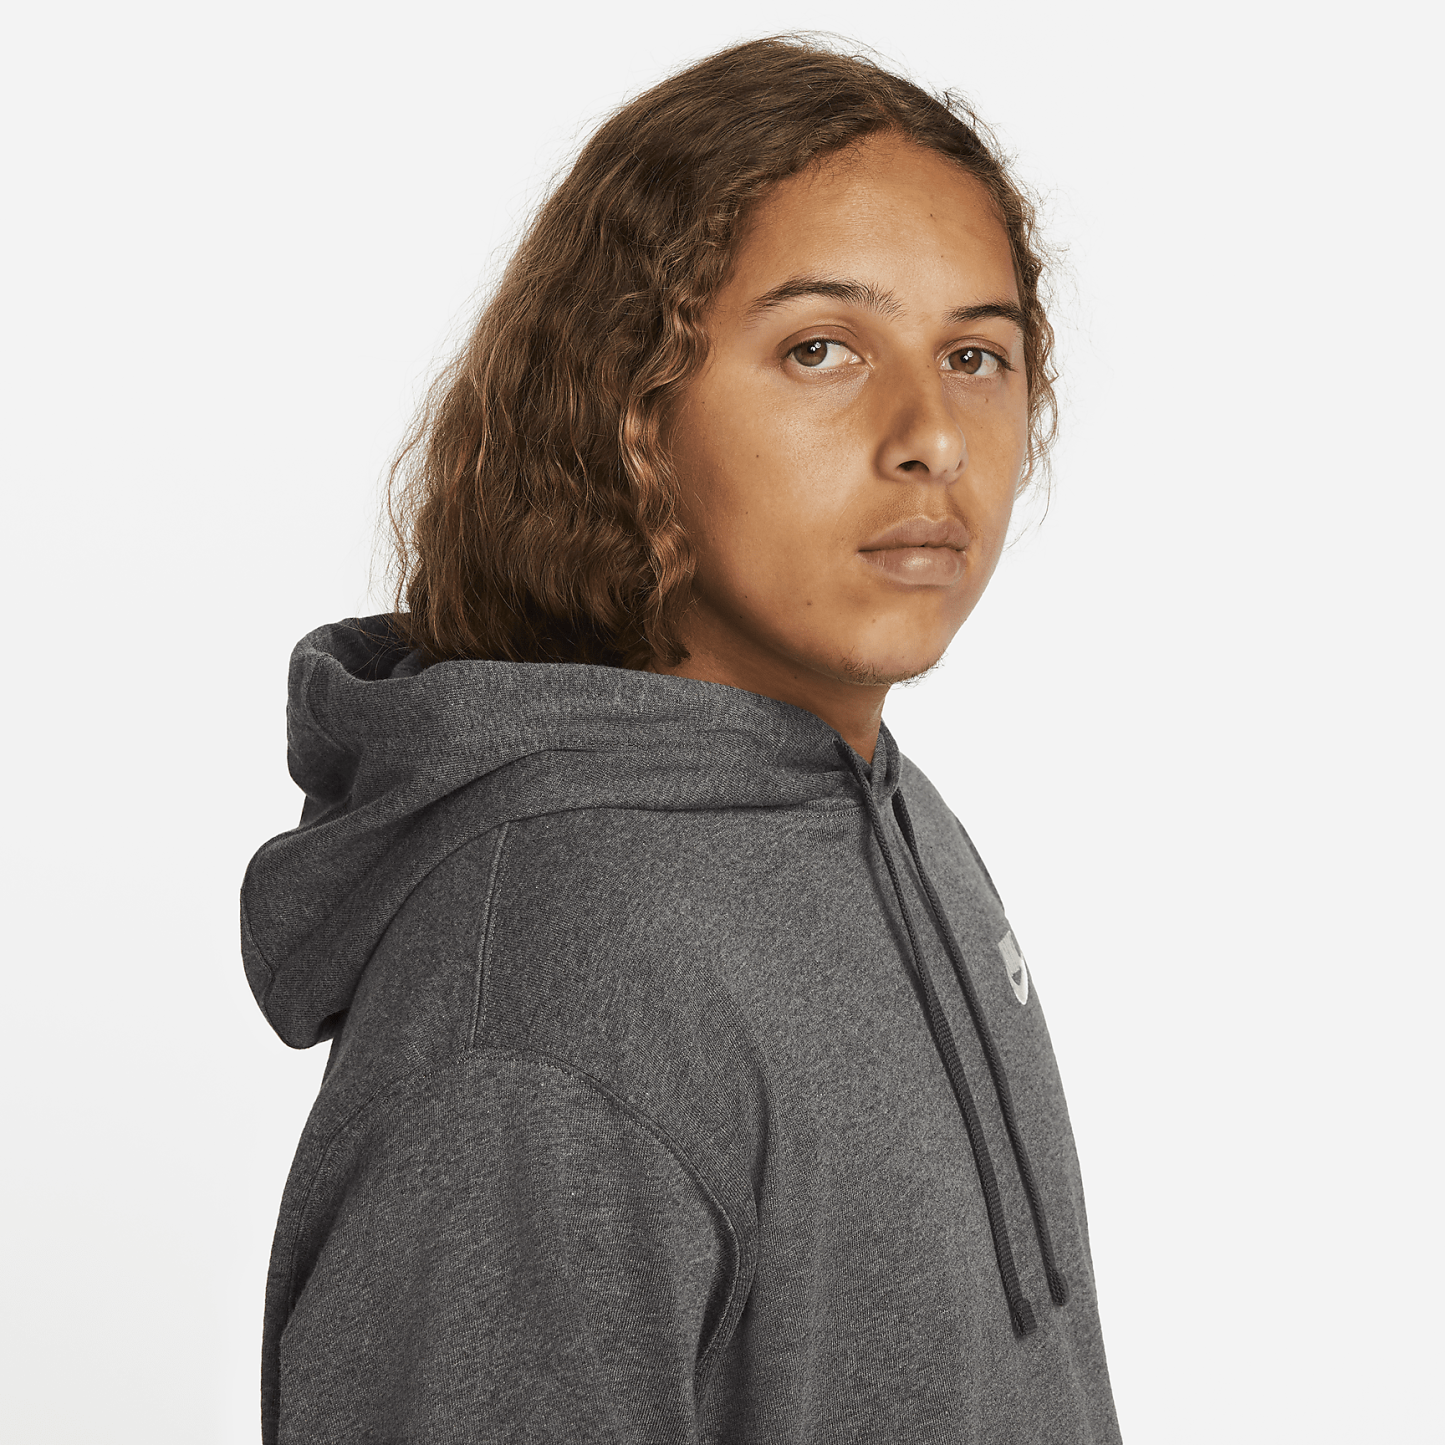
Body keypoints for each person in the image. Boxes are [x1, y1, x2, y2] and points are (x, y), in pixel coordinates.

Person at [241, 34, 1122, 1444]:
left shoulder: (885, 810)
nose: (933, 437)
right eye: (822, 349)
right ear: (633, 416)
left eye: (976, 355)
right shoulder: (542, 992)